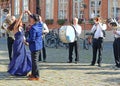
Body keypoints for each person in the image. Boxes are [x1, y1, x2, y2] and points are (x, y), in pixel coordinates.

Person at [25, 10, 43, 80]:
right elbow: (39, 18)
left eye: (31, 18)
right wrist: (29, 13)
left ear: (34, 20)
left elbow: (32, 39)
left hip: (35, 46)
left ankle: (36, 76)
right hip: (39, 45)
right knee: (34, 61)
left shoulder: (33, 28)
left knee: (35, 62)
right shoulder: (40, 24)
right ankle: (33, 74)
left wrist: (26, 40)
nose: (30, 19)